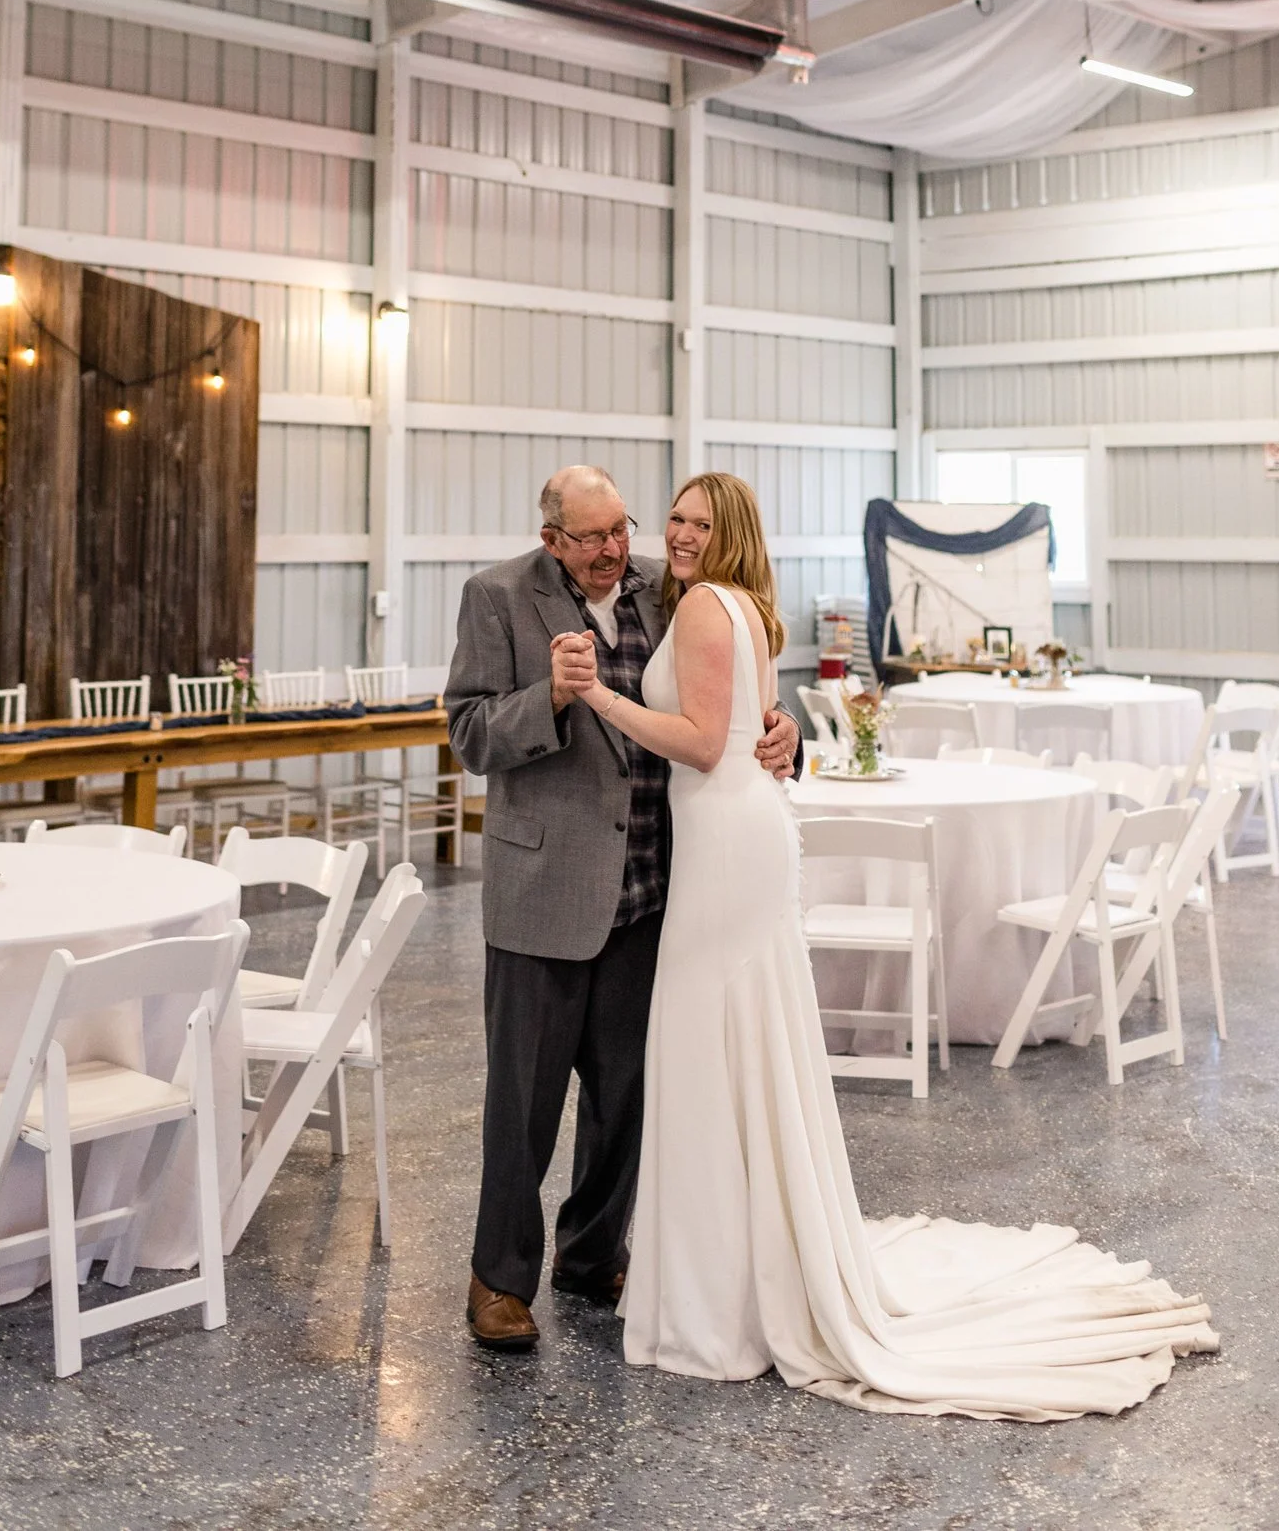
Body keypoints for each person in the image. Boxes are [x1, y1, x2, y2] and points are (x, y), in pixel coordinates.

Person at [557, 469, 1218, 1421]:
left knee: (711, 1046)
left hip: (727, 838)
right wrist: (765, 729)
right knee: (729, 1045)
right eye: (675, 518)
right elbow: (742, 727)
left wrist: (599, 703)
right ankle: (743, 1258)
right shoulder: (736, 605)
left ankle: (720, 1290)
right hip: (733, 833)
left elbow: (704, 743)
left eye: (699, 521)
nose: (681, 532)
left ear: (731, 531)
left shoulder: (705, 605)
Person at [444, 464, 800, 1353]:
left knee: (624, 1097)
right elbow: (469, 734)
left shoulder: (663, 587)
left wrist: (782, 727)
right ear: (550, 536)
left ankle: (593, 1253)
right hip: (545, 893)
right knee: (521, 1105)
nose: (614, 553)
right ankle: (499, 1280)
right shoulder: (496, 597)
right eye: (591, 538)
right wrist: (553, 697)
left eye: (621, 532)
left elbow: (715, 694)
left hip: (650, 889)